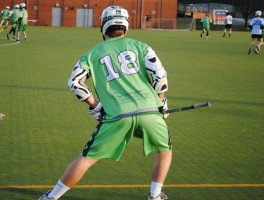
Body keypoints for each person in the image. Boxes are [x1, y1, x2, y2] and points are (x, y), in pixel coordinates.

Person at [38, 5, 172, 200]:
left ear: (103, 25)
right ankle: (155, 195)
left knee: (87, 158)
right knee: (164, 151)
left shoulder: (91, 54)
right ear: (125, 25)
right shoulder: (142, 46)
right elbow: (160, 78)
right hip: (150, 112)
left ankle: (52, 197)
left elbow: (75, 83)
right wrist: (161, 104)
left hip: (117, 115)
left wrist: (96, 106)